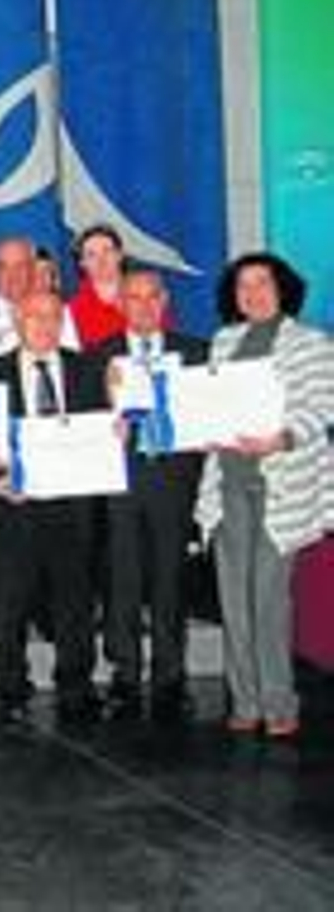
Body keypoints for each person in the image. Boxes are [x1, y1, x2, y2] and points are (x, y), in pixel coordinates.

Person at [194, 253, 333, 740]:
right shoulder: (224, 341)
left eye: (262, 283)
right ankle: (245, 700)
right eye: (243, 286)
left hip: (282, 488)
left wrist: (284, 438)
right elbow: (209, 405)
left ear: (283, 289)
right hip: (228, 484)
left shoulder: (311, 343)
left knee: (269, 599)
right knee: (233, 598)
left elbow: (323, 409)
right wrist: (205, 428)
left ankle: (279, 703)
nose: (252, 293)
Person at [0, 290, 108, 733]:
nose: (43, 324)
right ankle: (12, 690)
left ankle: (76, 687)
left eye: (53, 317)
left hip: (72, 508)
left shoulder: (88, 370)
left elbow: (103, 436)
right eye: (34, 316)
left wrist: (112, 432)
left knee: (75, 602)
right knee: (9, 605)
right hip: (13, 509)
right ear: (18, 319)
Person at [94, 269, 209, 723]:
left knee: (170, 580)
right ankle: (125, 675)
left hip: (174, 480)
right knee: (122, 580)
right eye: (133, 297)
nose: (142, 306)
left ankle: (170, 677)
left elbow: (210, 412)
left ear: (165, 302)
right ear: (120, 302)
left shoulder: (195, 353)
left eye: (151, 297)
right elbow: (82, 420)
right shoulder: (99, 357)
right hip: (120, 481)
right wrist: (108, 427)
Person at [0, 236, 80, 357]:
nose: (12, 275)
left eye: (20, 266)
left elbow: (68, 361)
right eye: (3, 267)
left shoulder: (58, 311)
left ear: (32, 269)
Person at [67, 224, 129, 350]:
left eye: (107, 250)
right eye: (91, 255)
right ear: (82, 263)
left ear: (120, 255)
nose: (101, 260)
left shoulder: (147, 296)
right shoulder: (73, 310)